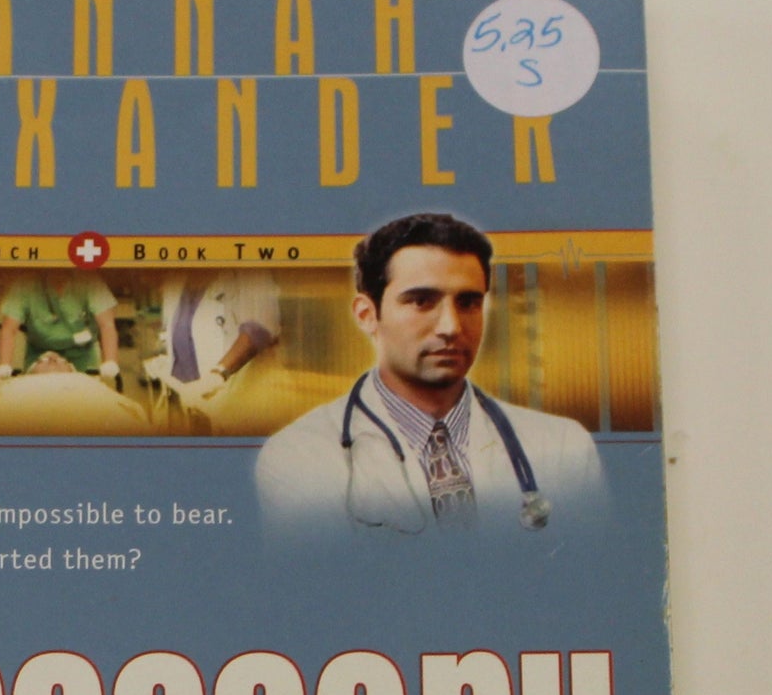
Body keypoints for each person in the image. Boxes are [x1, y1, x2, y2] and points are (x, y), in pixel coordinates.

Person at [254, 213, 600, 534]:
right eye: (421, 301)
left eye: (468, 303)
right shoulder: (298, 457)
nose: (451, 327)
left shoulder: (564, 448)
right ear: (367, 315)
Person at [145, 269, 280, 433]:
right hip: (188, 402)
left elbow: (260, 328)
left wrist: (217, 375)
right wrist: (167, 361)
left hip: (232, 395)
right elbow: (182, 329)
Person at [0, 272, 119, 381]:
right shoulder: (25, 283)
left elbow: (107, 325)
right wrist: (4, 365)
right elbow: (8, 329)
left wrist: (110, 361)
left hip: (82, 355)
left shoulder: (90, 281)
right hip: (39, 354)